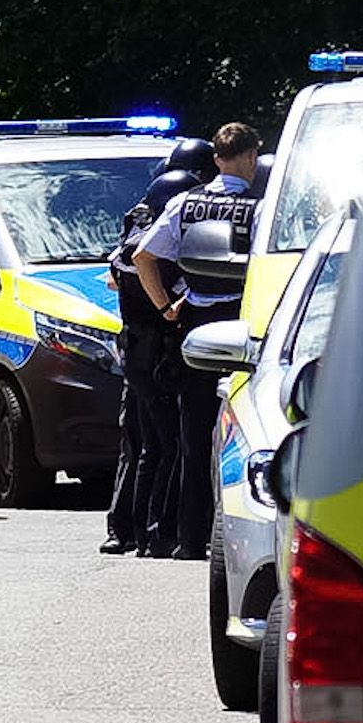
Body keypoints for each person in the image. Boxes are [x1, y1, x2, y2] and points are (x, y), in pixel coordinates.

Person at [130, 122, 264, 561]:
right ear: (250, 156)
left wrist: (165, 307)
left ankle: (190, 539)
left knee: (194, 435)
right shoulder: (261, 208)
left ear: (217, 159)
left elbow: (143, 256)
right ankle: (238, 535)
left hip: (195, 327)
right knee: (247, 432)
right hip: (243, 324)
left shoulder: (185, 203)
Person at [99, 148, 204, 556]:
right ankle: (153, 532)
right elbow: (140, 270)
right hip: (158, 349)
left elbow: (115, 275)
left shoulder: (139, 217)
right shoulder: (161, 226)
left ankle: (130, 531)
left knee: (143, 446)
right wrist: (167, 306)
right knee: (163, 445)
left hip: (137, 349)